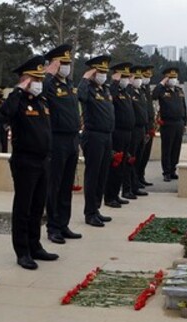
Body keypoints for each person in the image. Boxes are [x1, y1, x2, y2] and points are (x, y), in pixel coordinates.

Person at [0, 55, 59, 270]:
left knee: (37, 206)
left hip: (43, 160)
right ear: (25, 79)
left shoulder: (41, 101)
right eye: (35, 79)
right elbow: (4, 114)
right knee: (23, 207)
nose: (39, 83)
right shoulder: (17, 100)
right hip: (25, 161)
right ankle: (22, 250)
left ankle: (35, 245)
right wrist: (18, 89)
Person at [43, 44, 83, 244]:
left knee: (67, 184)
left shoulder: (69, 84)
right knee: (55, 185)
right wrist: (48, 74)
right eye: (62, 63)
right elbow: (40, 92)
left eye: (68, 63)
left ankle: (63, 223)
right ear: (55, 65)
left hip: (72, 138)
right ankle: (52, 227)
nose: (66, 67)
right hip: (56, 139)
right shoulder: (48, 83)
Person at [78, 55, 115, 227]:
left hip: (106, 136)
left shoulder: (104, 89)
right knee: (92, 175)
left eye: (104, 72)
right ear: (92, 73)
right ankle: (89, 213)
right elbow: (81, 96)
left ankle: (96, 208)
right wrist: (85, 78)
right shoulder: (88, 88)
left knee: (102, 174)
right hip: (93, 136)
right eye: (99, 72)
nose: (103, 75)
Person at [104, 62, 135, 208]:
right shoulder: (113, 91)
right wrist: (115, 81)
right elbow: (111, 95)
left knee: (122, 166)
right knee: (114, 166)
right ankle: (110, 197)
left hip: (128, 133)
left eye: (127, 77)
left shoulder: (125, 92)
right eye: (123, 76)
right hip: (117, 133)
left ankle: (116, 194)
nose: (126, 79)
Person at [152, 67, 187, 182]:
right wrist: (162, 83)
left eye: (175, 78)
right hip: (168, 123)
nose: (173, 80)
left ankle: (173, 170)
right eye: (170, 78)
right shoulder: (162, 90)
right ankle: (166, 172)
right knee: (167, 149)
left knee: (176, 149)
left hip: (179, 123)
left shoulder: (179, 90)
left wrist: (185, 122)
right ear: (166, 78)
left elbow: (184, 107)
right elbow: (154, 95)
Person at [125, 65, 149, 197]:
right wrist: (129, 82)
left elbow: (144, 112)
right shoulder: (129, 91)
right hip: (132, 129)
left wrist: (146, 130)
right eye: (136, 77)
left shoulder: (140, 92)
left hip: (141, 129)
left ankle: (135, 185)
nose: (139, 80)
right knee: (130, 159)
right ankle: (127, 188)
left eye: (140, 77)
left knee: (138, 159)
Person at [136, 65, 155, 186]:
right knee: (139, 155)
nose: (147, 79)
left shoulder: (146, 89)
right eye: (144, 76)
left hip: (149, 124)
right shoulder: (138, 90)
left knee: (145, 154)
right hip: (141, 125)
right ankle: (136, 178)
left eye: (149, 77)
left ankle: (141, 175)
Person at [0, 86, 9, 153]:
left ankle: (4, 153)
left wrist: (8, 123)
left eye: (1, 92)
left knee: (4, 142)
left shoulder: (5, 101)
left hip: (3, 125)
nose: (0, 93)